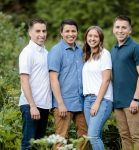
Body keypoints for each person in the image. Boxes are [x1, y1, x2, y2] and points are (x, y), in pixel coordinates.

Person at [48, 19, 88, 150]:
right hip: (63, 103)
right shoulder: (56, 51)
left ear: (77, 32)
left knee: (85, 138)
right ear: (61, 33)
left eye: (73, 31)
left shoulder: (80, 51)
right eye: (67, 31)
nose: (71, 34)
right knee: (61, 140)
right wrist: (60, 103)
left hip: (80, 102)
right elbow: (53, 78)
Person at [111, 15, 139, 150]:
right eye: (118, 27)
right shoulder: (113, 49)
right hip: (118, 101)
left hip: (132, 101)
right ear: (114, 29)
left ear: (130, 30)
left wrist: (136, 99)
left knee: (136, 136)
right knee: (124, 136)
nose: (120, 30)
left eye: (124, 28)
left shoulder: (136, 48)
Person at [19, 18, 52, 150]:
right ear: (30, 33)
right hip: (31, 105)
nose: (42, 34)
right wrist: (32, 106)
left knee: (38, 146)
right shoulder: (27, 53)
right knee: (28, 145)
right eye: (37, 31)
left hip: (43, 105)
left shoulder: (46, 52)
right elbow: (24, 80)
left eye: (44, 31)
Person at [82, 26, 113, 150]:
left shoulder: (105, 54)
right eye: (90, 36)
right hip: (87, 100)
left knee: (93, 136)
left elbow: (106, 79)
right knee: (95, 135)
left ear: (100, 39)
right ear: (86, 38)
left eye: (95, 36)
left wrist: (97, 102)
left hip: (102, 100)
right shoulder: (87, 56)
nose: (92, 38)